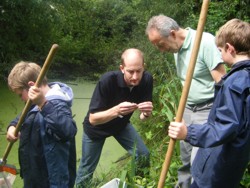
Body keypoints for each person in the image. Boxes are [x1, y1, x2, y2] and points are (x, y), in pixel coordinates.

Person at [146, 15, 226, 187]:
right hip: (187, 110)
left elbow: (222, 82)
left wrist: (219, 117)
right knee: (185, 161)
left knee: (199, 162)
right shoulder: (176, 50)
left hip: (208, 110)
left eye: (160, 44)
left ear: (173, 34)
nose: (161, 50)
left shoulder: (204, 42)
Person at [168, 18, 250, 188]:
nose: (219, 55)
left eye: (220, 50)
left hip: (219, 165)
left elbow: (225, 127)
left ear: (230, 48)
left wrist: (188, 133)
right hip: (235, 161)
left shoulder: (235, 82)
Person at [75, 48, 153, 187]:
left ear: (144, 68)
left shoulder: (147, 79)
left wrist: (146, 113)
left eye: (138, 71)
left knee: (143, 155)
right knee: (86, 171)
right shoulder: (107, 80)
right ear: (122, 68)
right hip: (96, 129)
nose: (135, 77)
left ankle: (137, 184)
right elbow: (93, 119)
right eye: (130, 71)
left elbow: (143, 118)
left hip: (121, 126)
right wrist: (117, 111)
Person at [6, 61, 77, 188]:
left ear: (31, 85)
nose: (21, 99)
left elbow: (68, 131)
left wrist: (43, 104)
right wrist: (12, 127)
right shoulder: (33, 103)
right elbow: (22, 117)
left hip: (51, 180)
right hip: (34, 175)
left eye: (20, 95)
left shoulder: (57, 103)